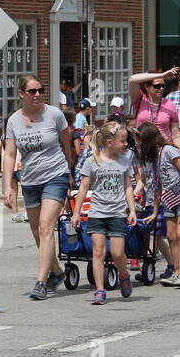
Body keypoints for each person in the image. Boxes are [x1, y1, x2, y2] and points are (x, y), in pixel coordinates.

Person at [1, 74, 74, 300]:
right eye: (31, 91)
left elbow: (66, 145)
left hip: (55, 175)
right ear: (21, 94)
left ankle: (41, 282)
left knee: (45, 227)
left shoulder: (54, 115)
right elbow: (10, 154)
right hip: (30, 179)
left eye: (39, 90)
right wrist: (7, 186)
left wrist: (69, 173)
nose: (36, 95)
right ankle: (57, 272)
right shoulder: (13, 121)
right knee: (36, 232)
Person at [71, 121, 138, 304]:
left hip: (117, 213)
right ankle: (100, 290)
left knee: (117, 253)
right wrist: (76, 213)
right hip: (97, 213)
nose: (125, 144)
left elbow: (128, 188)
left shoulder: (125, 161)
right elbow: (83, 188)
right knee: (98, 252)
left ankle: (124, 276)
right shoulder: (92, 161)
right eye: (123, 140)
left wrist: (131, 210)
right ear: (109, 142)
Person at [127, 69, 180, 144]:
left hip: (163, 149)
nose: (161, 88)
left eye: (163, 85)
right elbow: (132, 79)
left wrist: (178, 152)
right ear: (147, 86)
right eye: (157, 86)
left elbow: (176, 135)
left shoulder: (170, 104)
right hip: (143, 148)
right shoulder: (139, 99)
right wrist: (162, 75)